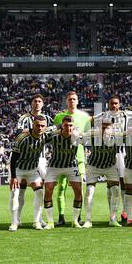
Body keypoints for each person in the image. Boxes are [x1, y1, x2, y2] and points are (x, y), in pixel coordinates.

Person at [93, 96, 132, 222]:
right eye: (112, 103)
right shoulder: (102, 116)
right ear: (108, 104)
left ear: (119, 104)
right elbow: (93, 125)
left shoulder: (126, 116)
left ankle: (125, 212)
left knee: (123, 183)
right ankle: (112, 214)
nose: (114, 106)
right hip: (107, 153)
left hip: (122, 153)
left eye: (116, 103)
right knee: (110, 184)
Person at [8, 116, 54, 231]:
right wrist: (13, 177)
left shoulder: (45, 136)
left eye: (42, 126)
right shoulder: (22, 139)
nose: (40, 128)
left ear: (45, 127)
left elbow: (59, 130)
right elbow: (13, 159)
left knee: (40, 193)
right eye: (37, 125)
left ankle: (36, 221)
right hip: (18, 170)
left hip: (32, 171)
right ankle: (14, 222)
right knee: (15, 194)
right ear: (32, 125)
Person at [52, 91, 91, 226]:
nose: (72, 101)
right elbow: (54, 134)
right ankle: (61, 218)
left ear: (78, 101)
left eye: (74, 99)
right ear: (66, 101)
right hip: (60, 158)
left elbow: (87, 137)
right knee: (60, 188)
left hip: (78, 158)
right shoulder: (58, 117)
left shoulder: (84, 117)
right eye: (69, 99)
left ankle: (77, 217)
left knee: (79, 188)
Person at [43, 116, 84, 229]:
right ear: (62, 125)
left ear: (73, 126)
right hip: (54, 166)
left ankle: (75, 221)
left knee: (78, 190)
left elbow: (91, 138)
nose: (68, 128)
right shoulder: (54, 136)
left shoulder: (77, 136)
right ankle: (50, 222)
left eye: (70, 126)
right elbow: (41, 137)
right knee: (48, 190)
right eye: (66, 125)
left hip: (71, 165)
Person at [80, 117, 122, 228]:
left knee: (116, 190)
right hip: (94, 166)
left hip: (110, 166)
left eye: (107, 127)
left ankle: (113, 218)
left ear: (111, 127)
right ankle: (88, 220)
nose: (104, 129)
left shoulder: (117, 136)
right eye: (102, 127)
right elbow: (79, 137)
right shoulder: (92, 134)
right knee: (89, 191)